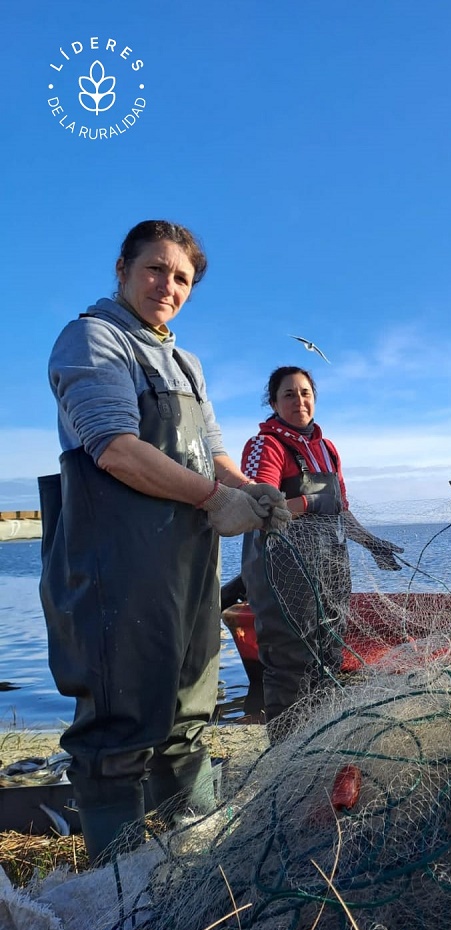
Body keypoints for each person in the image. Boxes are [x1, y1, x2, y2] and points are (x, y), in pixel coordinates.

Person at [39, 220, 291, 863]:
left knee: (187, 716)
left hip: (185, 569)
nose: (168, 286)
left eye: (182, 279)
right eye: (156, 269)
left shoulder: (186, 361)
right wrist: (216, 500)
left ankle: (199, 856)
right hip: (112, 570)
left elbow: (212, 455)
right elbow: (117, 451)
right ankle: (118, 882)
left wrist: (250, 491)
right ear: (122, 269)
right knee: (118, 729)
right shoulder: (93, 338)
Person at [239, 365, 404, 723]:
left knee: (329, 656)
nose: (299, 400)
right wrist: (309, 504)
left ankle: (321, 741)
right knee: (291, 665)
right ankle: (287, 754)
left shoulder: (327, 448)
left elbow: (340, 509)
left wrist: (371, 543)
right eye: (289, 394)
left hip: (329, 569)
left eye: (305, 393)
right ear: (273, 401)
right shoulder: (265, 445)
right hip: (283, 573)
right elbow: (257, 508)